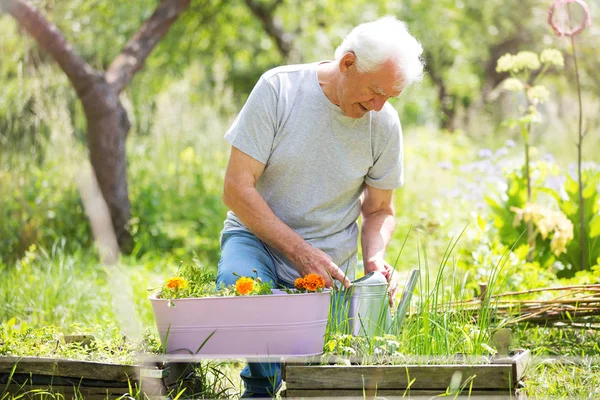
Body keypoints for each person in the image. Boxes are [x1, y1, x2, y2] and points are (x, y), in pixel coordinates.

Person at [216, 16, 424, 397]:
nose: (379, 106)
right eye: (375, 91)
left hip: (328, 262)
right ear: (347, 63)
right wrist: (298, 251)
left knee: (321, 368)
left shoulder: (384, 124)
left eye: (389, 97)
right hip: (256, 238)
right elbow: (236, 189)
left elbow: (379, 210)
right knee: (241, 289)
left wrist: (375, 261)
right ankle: (261, 385)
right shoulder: (279, 89)